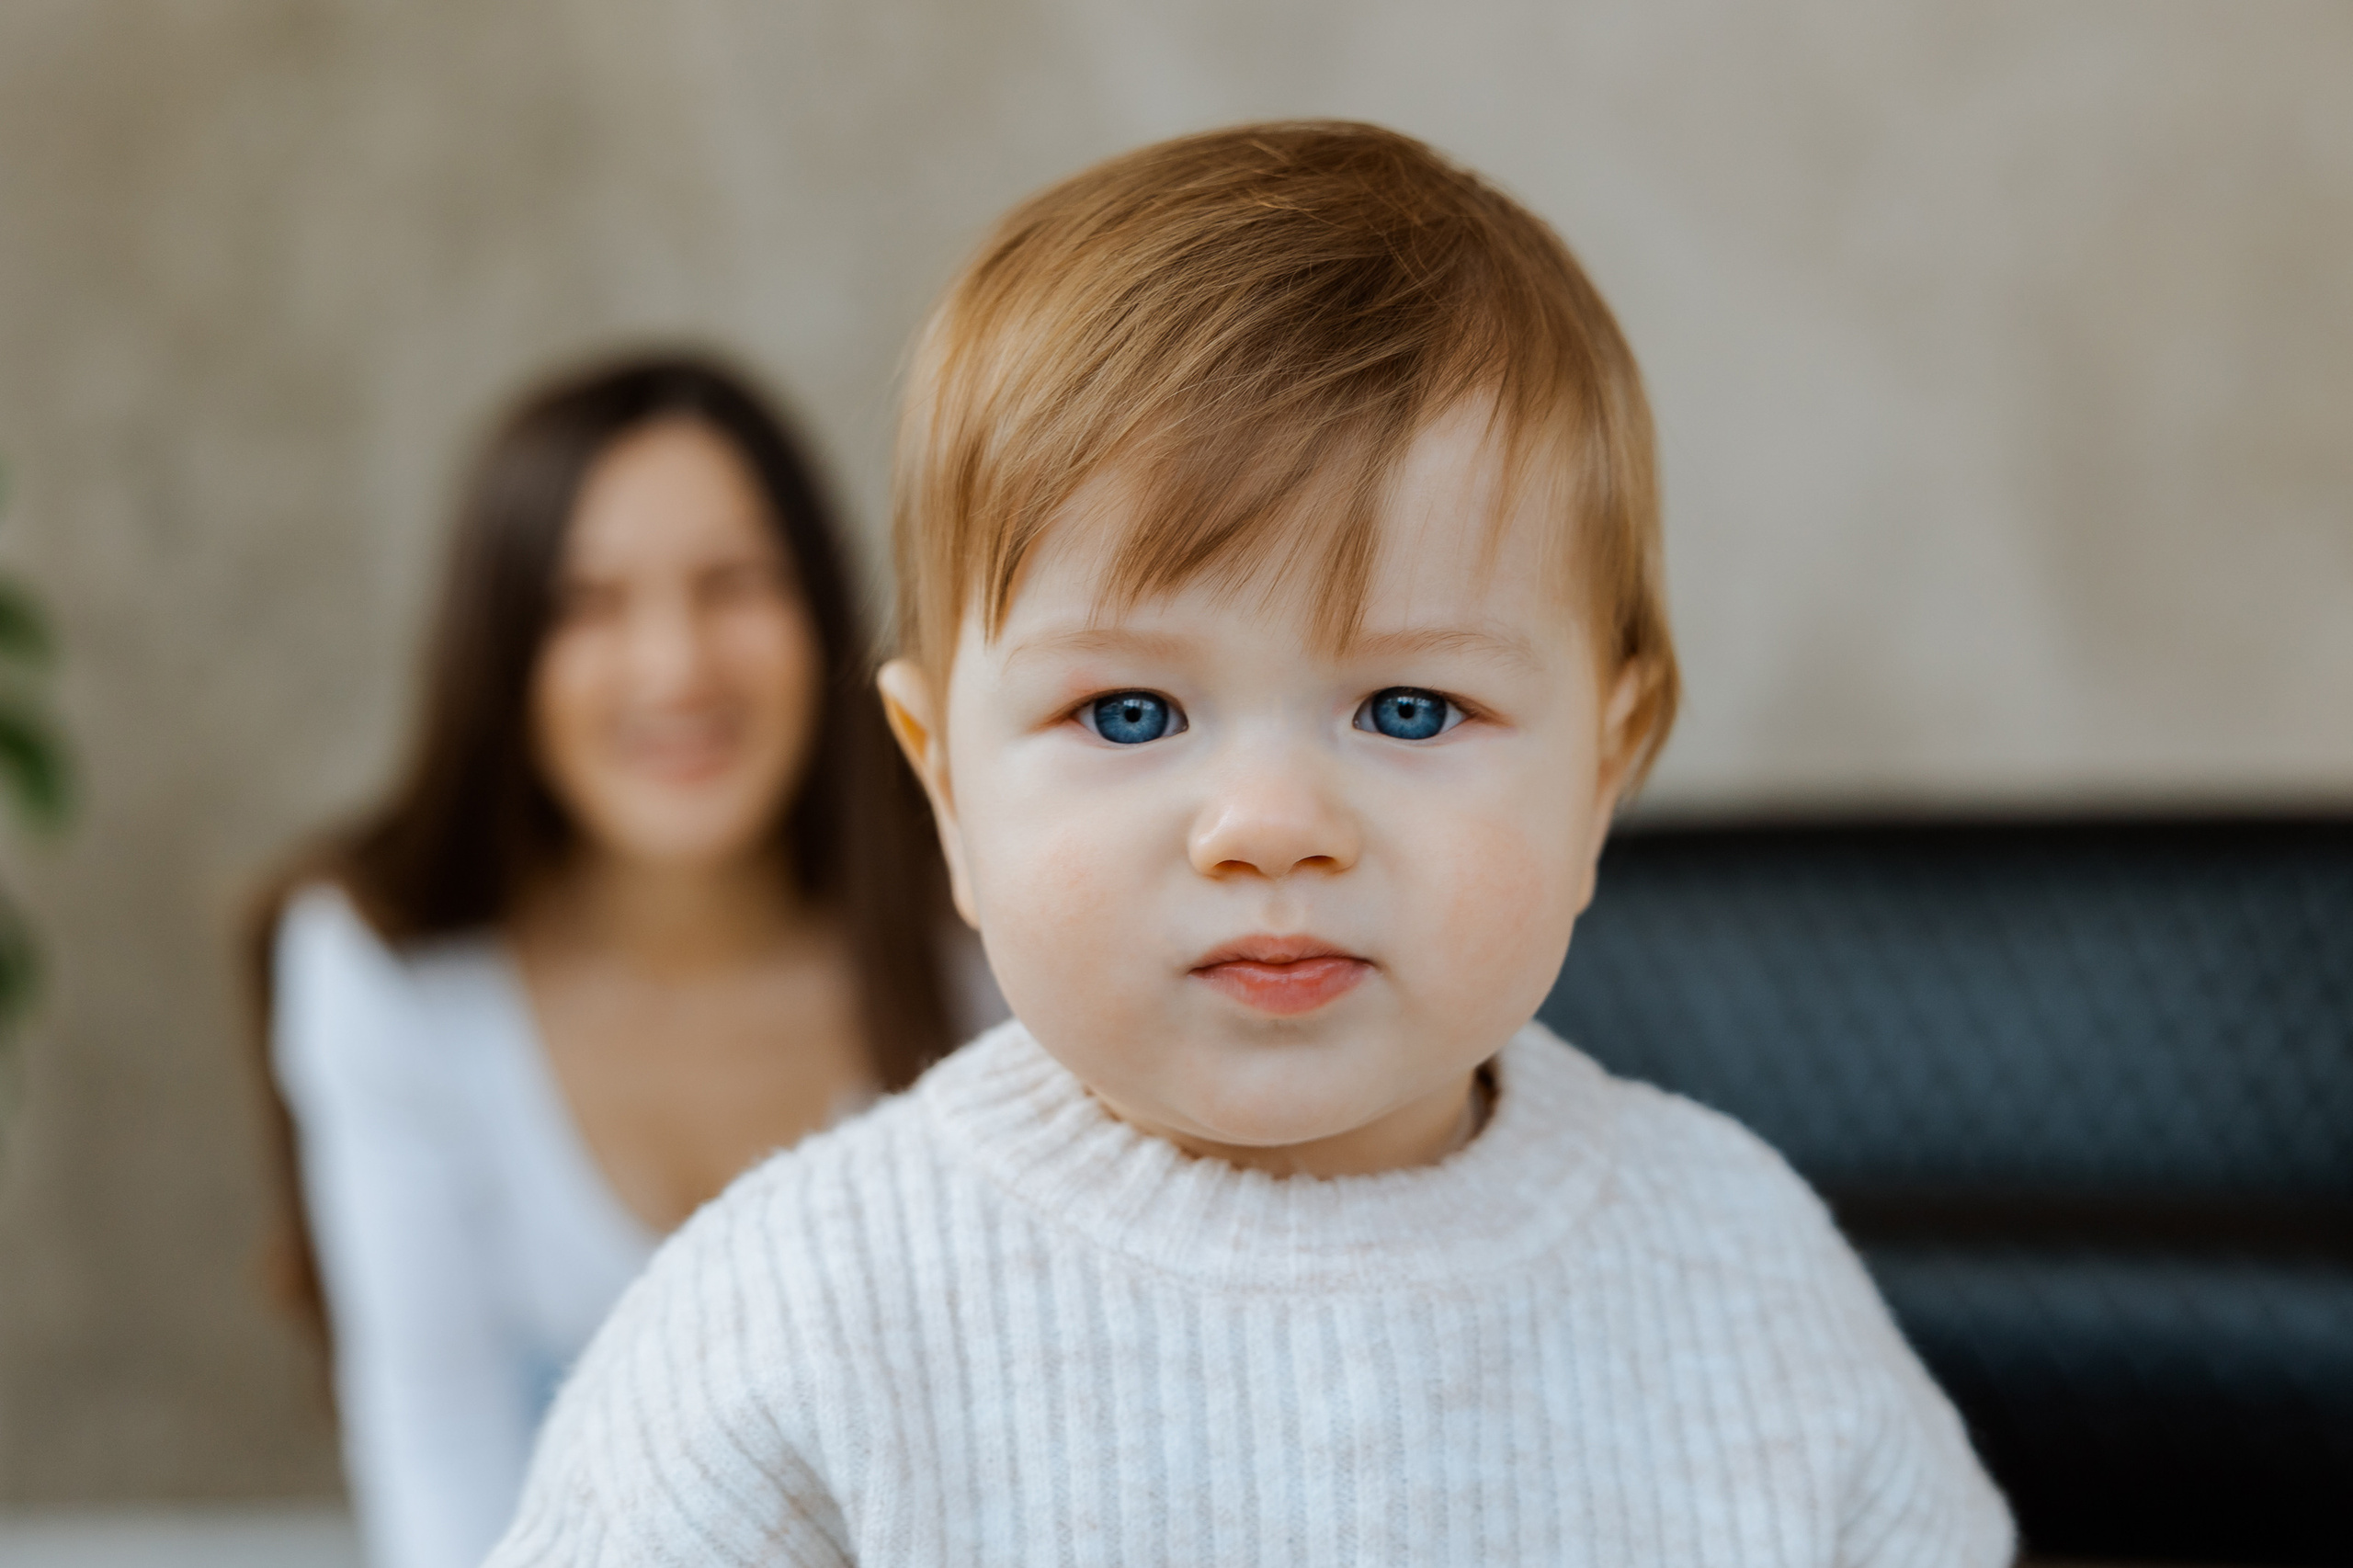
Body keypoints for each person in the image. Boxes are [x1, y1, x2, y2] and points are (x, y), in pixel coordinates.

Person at [485, 125, 2014, 1564]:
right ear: (945, 787)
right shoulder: (794, 1316)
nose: (1271, 825)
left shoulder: (1739, 1268)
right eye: (1135, 713)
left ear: (1602, 771)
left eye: (1410, 707)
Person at [251, 354, 975, 1568]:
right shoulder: (385, 962)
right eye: (587, 603)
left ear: (826, 610)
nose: (675, 666)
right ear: (501, 653)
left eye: (735, 582)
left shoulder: (979, 919)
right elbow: (435, 1452)